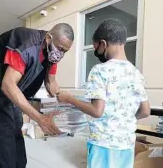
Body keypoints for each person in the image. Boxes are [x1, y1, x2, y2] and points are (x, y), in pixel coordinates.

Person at [0, 24, 74, 168]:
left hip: (16, 86)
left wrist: (64, 102)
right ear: (48, 38)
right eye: (60, 49)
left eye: (65, 51)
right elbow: (8, 85)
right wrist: (40, 118)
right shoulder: (27, 44)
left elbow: (51, 82)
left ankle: (20, 165)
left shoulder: (52, 53)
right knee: (6, 131)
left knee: (16, 125)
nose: (60, 54)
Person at [57, 18, 150, 168]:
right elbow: (145, 110)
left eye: (96, 48)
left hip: (103, 143)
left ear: (104, 44)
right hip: (126, 144)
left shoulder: (99, 70)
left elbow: (96, 111)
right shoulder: (136, 74)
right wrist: (122, 119)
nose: (96, 52)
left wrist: (68, 98)